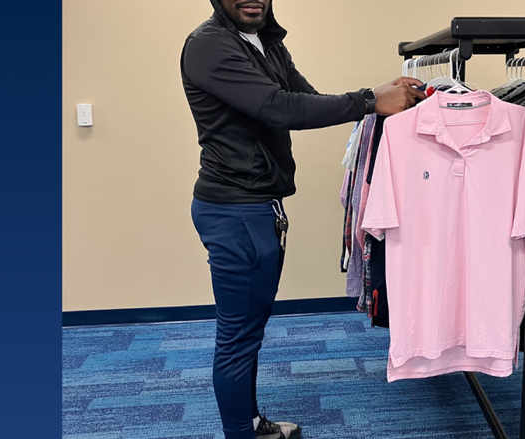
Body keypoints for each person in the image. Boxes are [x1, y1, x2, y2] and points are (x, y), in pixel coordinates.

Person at [180, 1, 425, 438]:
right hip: (236, 210)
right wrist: (371, 100)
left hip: (258, 207)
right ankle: (243, 433)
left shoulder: (265, 41)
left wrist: (374, 94)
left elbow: (304, 99)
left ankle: (251, 423)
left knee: (249, 330)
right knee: (238, 338)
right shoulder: (209, 45)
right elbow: (280, 109)